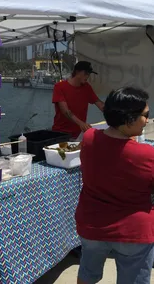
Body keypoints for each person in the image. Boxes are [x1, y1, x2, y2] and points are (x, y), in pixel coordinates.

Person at [75, 87, 154, 284]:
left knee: (87, 273)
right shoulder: (147, 155)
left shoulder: (89, 138)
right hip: (133, 232)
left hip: (92, 224)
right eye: (146, 115)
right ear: (129, 120)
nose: (147, 121)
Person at [52, 61, 104, 139]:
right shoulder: (59, 87)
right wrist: (81, 123)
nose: (87, 76)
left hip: (79, 134)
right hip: (60, 134)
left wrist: (113, 113)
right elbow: (65, 111)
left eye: (89, 74)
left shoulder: (87, 87)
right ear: (77, 72)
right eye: (85, 73)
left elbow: (99, 103)